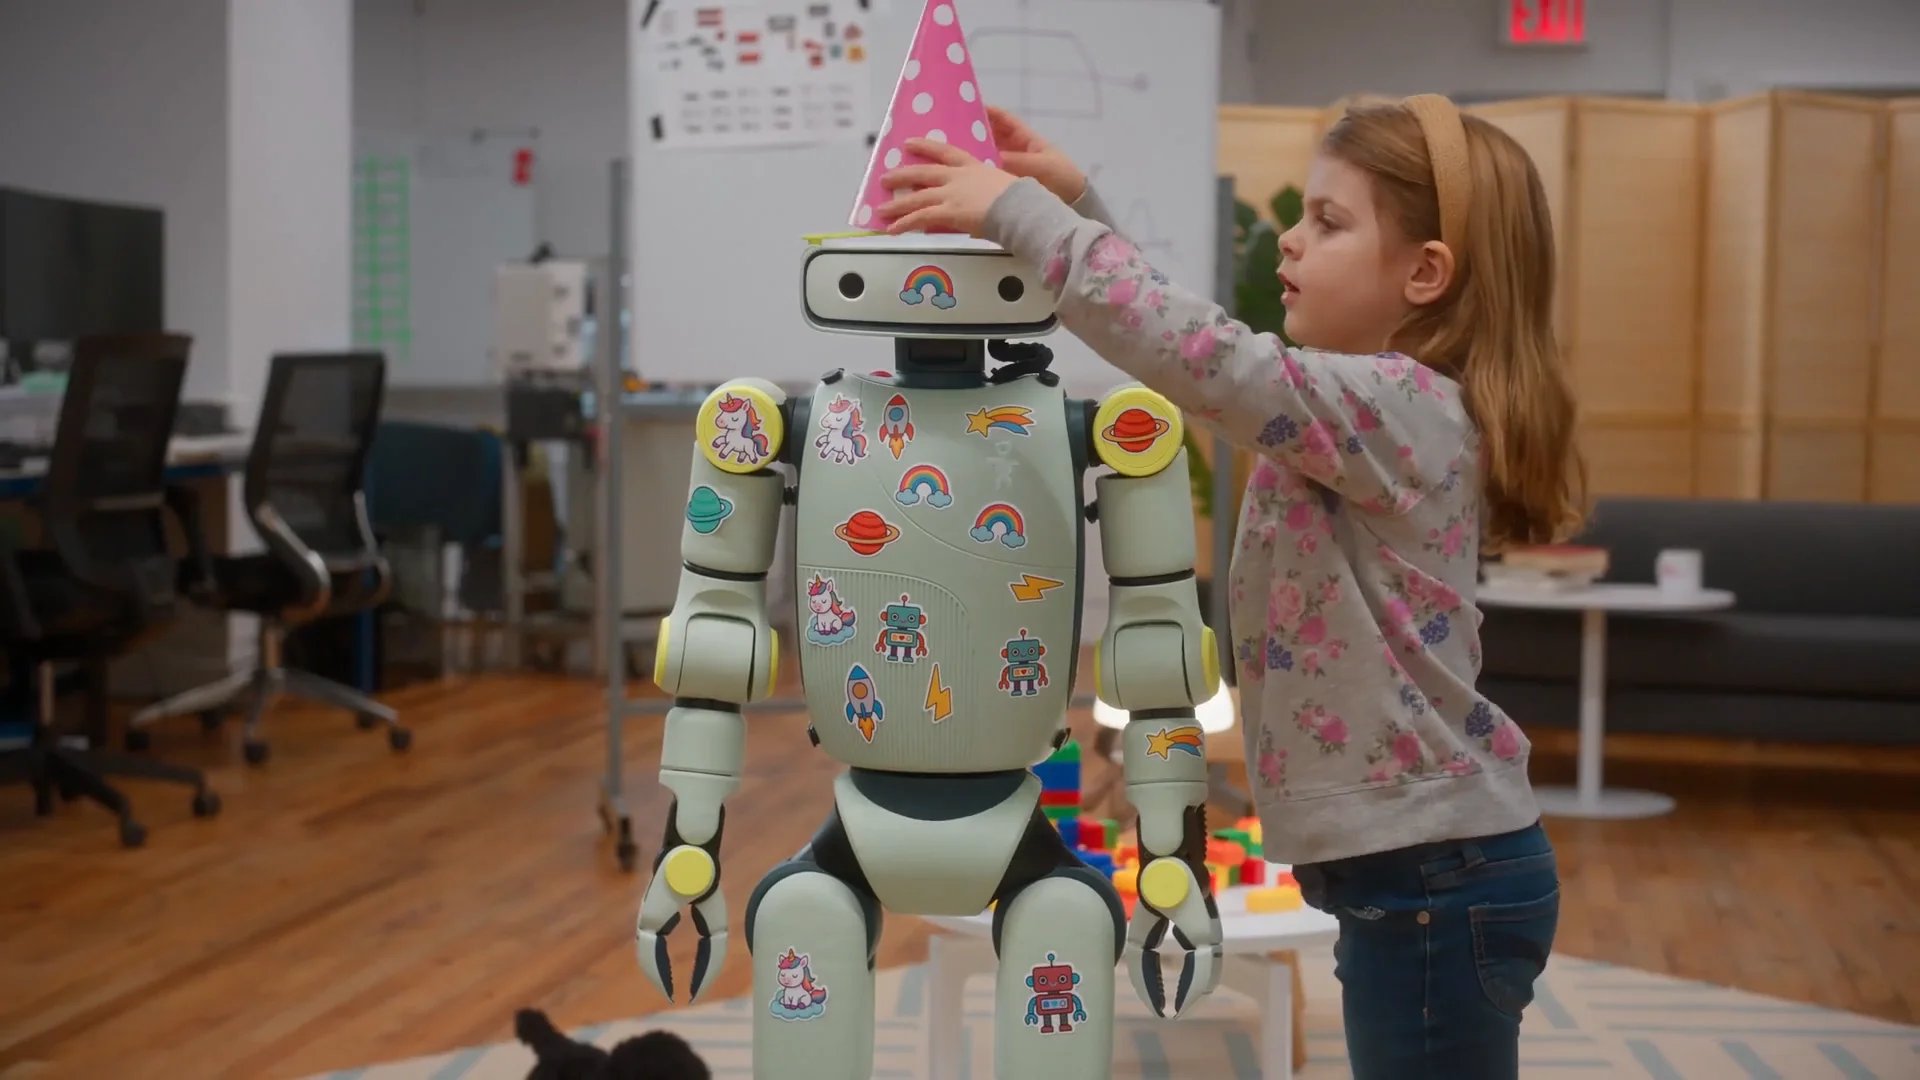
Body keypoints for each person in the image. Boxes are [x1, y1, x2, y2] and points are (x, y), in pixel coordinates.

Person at [876, 96, 1585, 1079]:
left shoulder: (1400, 410)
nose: (1291, 238)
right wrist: (1078, 200)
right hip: (1423, 865)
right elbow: (1196, 365)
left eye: (1329, 223)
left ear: (1425, 274)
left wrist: (1020, 212)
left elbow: (1201, 356)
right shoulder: (1357, 409)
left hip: (1438, 869)